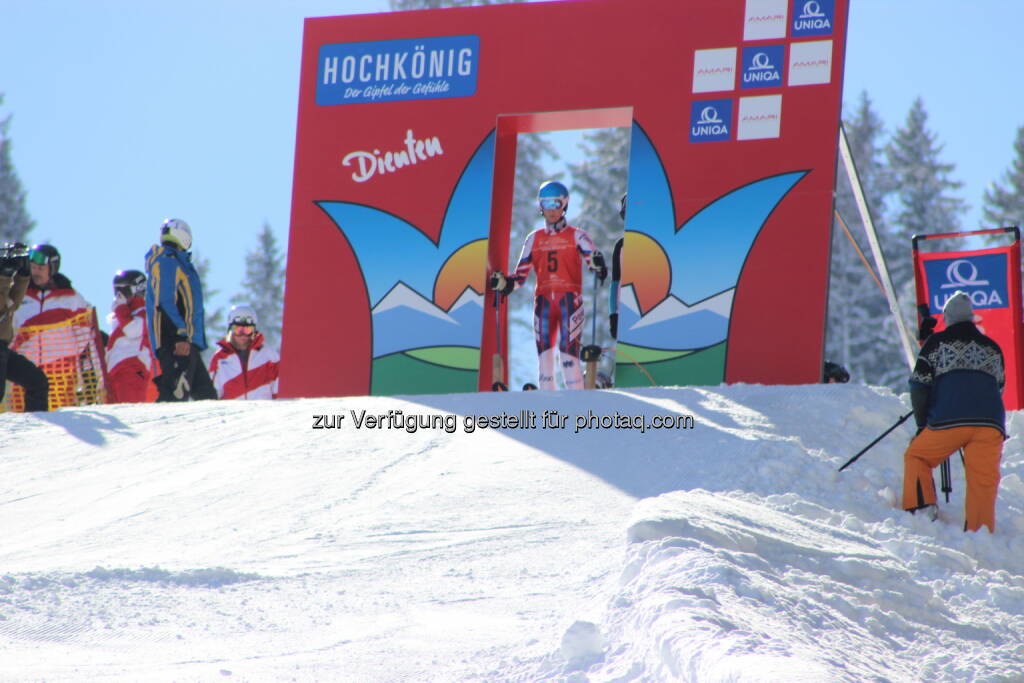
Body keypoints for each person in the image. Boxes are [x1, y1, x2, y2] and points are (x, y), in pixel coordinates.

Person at [901, 290, 1005, 532]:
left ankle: (922, 507)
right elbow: (999, 386)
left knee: (917, 456)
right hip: (990, 423)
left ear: (946, 318)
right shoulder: (993, 348)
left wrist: (922, 423)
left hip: (949, 421)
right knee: (983, 480)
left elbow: (919, 384)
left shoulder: (936, 344)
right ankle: (980, 533)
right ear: (971, 318)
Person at [490, 180, 606, 390]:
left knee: (567, 353)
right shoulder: (534, 239)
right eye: (546, 204)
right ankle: (546, 400)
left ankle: (577, 396)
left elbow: (594, 262)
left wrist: (598, 264)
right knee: (544, 355)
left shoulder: (577, 235)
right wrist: (504, 283)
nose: (551, 210)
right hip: (543, 301)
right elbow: (520, 276)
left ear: (564, 205)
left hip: (569, 300)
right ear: (540, 206)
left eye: (556, 203)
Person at [11, 243, 94, 408]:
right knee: (24, 421)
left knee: (59, 420)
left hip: (60, 371)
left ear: (53, 268)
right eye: (33, 268)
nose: (36, 272)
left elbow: (85, 335)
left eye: (41, 269)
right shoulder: (20, 296)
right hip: (25, 368)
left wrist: (67, 356)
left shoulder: (70, 297)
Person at [144, 218, 217, 401]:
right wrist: (180, 336)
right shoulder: (167, 262)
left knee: (207, 396)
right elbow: (165, 301)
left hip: (186, 341)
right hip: (175, 341)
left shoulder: (178, 263)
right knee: (175, 395)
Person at [0, 243, 49, 411]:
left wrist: (23, 276)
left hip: (3, 348)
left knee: (37, 382)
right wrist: (4, 277)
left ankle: (37, 427)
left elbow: (12, 304)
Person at [208, 305, 280, 400]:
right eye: (238, 330)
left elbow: (279, 389)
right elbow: (213, 393)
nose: (243, 335)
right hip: (232, 413)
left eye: (247, 330)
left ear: (253, 331)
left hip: (263, 412)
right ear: (231, 330)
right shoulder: (220, 358)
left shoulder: (269, 355)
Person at [105, 269, 155, 403]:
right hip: (116, 370)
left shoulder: (144, 310)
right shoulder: (121, 314)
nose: (119, 296)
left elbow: (133, 331)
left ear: (138, 289)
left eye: (124, 290)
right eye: (116, 291)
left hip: (132, 368)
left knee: (128, 410)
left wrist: (120, 309)